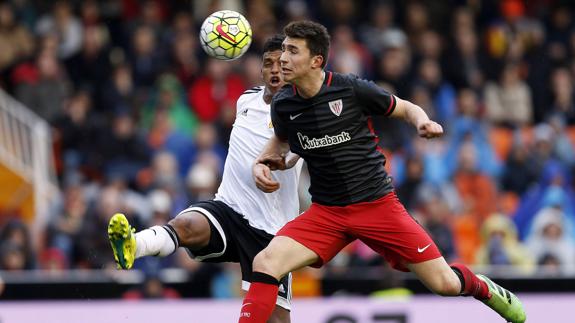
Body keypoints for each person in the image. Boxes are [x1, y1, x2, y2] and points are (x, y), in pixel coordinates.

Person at [239, 21, 526, 323]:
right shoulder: (284, 104)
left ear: (316, 61)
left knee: (446, 284)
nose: (282, 58)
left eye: (292, 51)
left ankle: (484, 288)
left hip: (378, 206)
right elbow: (281, 143)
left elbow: (404, 108)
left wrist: (422, 122)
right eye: (283, 49)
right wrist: (263, 162)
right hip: (327, 213)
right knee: (266, 261)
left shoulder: (350, 89)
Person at [108, 35, 301, 323]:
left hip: (270, 231)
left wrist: (283, 161)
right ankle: (134, 246)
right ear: (260, 69)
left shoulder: (303, 111)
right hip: (229, 209)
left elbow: (295, 151)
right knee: (185, 224)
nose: (275, 70)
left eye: (281, 64)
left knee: (276, 319)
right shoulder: (246, 99)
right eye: (268, 63)